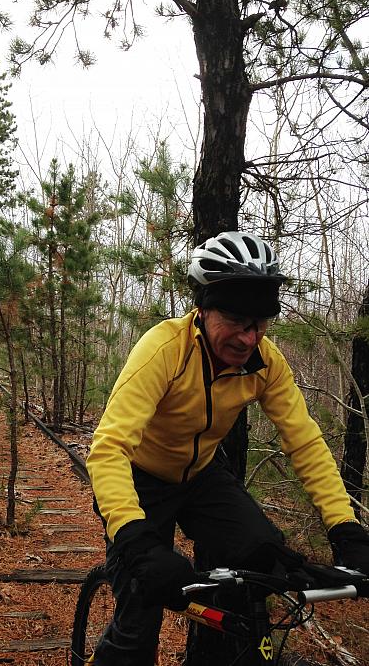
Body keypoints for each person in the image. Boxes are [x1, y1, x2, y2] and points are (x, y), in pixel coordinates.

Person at [86, 231, 369, 666]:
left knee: (264, 560)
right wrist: (134, 538)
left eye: (259, 324)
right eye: (236, 320)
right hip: (141, 479)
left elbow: (305, 441)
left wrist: (344, 529)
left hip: (201, 476)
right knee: (139, 616)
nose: (248, 338)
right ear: (203, 309)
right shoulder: (165, 349)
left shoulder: (266, 363)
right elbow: (108, 449)